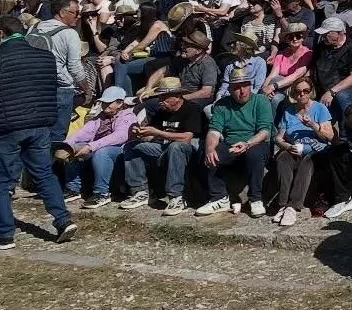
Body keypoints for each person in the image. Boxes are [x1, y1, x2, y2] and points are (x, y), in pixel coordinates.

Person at [0, 15, 79, 249]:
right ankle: (63, 219)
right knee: (44, 174)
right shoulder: (46, 58)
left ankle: (3, 234)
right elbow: (67, 81)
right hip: (39, 125)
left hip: (6, 126)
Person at [118, 77, 205, 215]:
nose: (160, 101)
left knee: (176, 146)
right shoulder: (162, 111)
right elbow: (152, 136)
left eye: (164, 97)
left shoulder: (192, 109)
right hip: (164, 148)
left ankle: (176, 197)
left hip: (189, 151)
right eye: (159, 97)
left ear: (177, 96)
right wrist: (140, 133)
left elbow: (187, 137)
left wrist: (157, 132)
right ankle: (140, 191)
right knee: (132, 146)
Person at [196, 66, 273, 217]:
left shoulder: (261, 101)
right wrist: (210, 148)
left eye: (245, 86)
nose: (242, 91)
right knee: (211, 153)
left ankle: (255, 199)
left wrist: (247, 144)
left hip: (256, 142)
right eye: (237, 87)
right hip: (231, 143)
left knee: (254, 154)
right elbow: (214, 130)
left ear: (250, 86)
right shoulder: (222, 105)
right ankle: (219, 198)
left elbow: (264, 131)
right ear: (230, 89)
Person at [59, 86, 138, 208]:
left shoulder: (127, 116)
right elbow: (84, 132)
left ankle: (102, 193)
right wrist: (67, 144)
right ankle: (73, 189)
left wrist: (91, 146)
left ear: (120, 103)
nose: (105, 105)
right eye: (104, 102)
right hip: (99, 147)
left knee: (102, 152)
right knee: (72, 149)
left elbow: (120, 137)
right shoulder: (100, 116)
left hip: (122, 150)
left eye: (109, 102)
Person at [271, 80, 334, 226]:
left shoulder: (319, 109)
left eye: (305, 91)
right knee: (282, 159)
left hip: (317, 152)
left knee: (307, 162)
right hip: (295, 149)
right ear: (294, 94)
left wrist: (312, 124)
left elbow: (330, 137)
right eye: (298, 92)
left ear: (311, 91)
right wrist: (287, 146)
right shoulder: (288, 111)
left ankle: (293, 206)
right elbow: (278, 138)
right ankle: (283, 205)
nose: (302, 94)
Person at [29, 0, 85, 142]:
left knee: (36, 133)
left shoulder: (34, 27)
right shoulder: (69, 34)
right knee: (57, 135)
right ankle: (52, 164)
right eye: (75, 13)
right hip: (60, 89)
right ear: (62, 12)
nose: (78, 17)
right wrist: (87, 89)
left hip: (34, 87)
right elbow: (74, 68)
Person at [311, 16, 352, 116]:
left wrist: (332, 92)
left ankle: (347, 129)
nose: (323, 36)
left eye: (327, 33)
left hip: (345, 90)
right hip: (321, 88)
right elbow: (312, 69)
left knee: (342, 97)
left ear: (339, 33)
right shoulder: (321, 47)